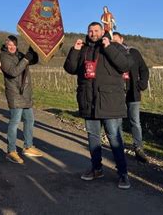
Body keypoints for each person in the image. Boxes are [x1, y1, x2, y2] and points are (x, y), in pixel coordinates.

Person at [64, 22, 131, 189]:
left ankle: (123, 173)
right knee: (93, 138)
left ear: (103, 32)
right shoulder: (84, 49)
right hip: (88, 100)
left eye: (96, 31)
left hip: (110, 101)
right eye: (90, 31)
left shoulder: (115, 46)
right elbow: (70, 68)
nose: (93, 33)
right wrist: (75, 50)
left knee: (114, 138)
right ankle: (96, 168)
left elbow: (125, 65)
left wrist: (109, 48)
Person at [0, 35, 42, 164]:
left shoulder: (19, 55)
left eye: (14, 44)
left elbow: (32, 60)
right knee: (15, 122)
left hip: (25, 94)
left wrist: (33, 51)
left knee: (30, 120)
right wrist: (25, 59)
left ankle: (28, 146)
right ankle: (11, 150)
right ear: (6, 46)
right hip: (15, 94)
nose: (11, 47)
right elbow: (13, 72)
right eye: (9, 45)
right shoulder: (3, 57)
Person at [112, 32, 150, 163]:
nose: (115, 44)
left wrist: (142, 84)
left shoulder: (134, 52)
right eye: (112, 42)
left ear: (122, 40)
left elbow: (144, 69)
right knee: (117, 122)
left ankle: (138, 148)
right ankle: (119, 147)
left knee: (135, 121)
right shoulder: (110, 54)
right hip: (117, 93)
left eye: (116, 41)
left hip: (133, 92)